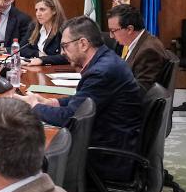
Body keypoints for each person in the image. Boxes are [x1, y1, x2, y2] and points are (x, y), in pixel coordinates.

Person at [19, 15, 143, 182]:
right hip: (110, 142)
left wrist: (34, 106)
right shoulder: (105, 61)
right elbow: (83, 101)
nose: (62, 52)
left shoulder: (101, 72)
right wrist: (51, 102)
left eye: (65, 46)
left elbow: (70, 118)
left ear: (83, 44)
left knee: (29, 149)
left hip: (106, 156)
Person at [107, 3, 168, 93]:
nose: (111, 36)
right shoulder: (141, 42)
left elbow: (142, 89)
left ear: (129, 29)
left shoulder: (149, 50)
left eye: (113, 31)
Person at [20, 0, 69, 66]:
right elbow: (21, 49)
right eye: (36, 10)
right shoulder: (34, 27)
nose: (38, 14)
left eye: (42, 10)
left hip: (55, 72)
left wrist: (42, 60)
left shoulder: (64, 29)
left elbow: (66, 56)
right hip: (36, 70)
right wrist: (38, 54)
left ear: (54, 11)